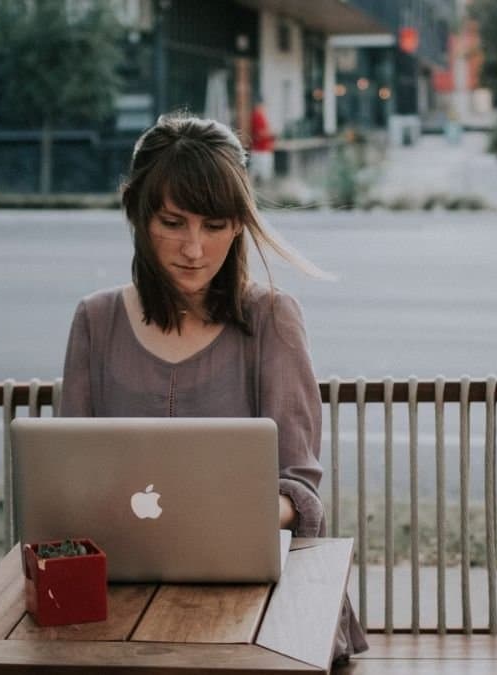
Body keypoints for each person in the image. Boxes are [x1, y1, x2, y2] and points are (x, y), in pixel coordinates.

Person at [58, 113, 367, 660]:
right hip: (123, 598)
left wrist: (209, 517)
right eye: (173, 223)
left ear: (239, 223)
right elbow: (68, 480)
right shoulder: (94, 320)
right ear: (136, 212)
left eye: (215, 224)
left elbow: (299, 489)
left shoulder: (271, 317)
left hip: (259, 605)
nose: (194, 250)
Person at [249, 98, 275, 184]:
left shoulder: (261, 116)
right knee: (261, 172)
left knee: (259, 171)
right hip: (260, 149)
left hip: (263, 149)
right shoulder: (257, 116)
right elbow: (259, 134)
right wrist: (270, 133)